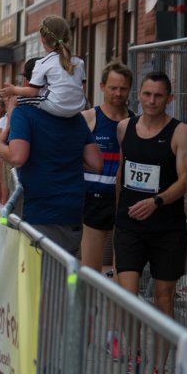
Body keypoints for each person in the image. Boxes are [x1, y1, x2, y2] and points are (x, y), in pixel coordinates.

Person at [114, 72, 187, 374]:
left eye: (159, 96)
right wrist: (119, 213)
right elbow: (122, 172)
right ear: (139, 95)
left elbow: (186, 180)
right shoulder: (124, 128)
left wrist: (156, 201)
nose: (151, 101)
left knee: (164, 298)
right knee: (127, 295)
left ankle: (160, 369)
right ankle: (134, 357)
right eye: (147, 94)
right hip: (130, 225)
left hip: (166, 228)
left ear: (169, 99)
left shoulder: (181, 132)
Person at [0, 85, 102, 255]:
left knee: (38, 272)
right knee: (65, 270)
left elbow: (17, 157)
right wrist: (65, 157)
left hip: (39, 213)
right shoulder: (75, 118)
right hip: (71, 213)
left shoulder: (24, 113)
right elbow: (96, 164)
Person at [80, 61, 133, 272]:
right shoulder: (89, 118)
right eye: (113, 88)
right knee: (90, 270)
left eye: (123, 88)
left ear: (130, 89)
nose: (118, 93)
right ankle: (87, 296)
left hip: (126, 201)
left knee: (124, 270)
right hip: (94, 200)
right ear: (102, 87)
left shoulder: (136, 123)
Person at [1, 16, 86, 118]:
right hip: (78, 106)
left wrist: (13, 89)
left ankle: (8, 127)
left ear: (42, 39)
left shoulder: (43, 63)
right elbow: (80, 86)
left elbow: (32, 92)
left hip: (56, 106)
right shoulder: (79, 61)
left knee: (14, 100)